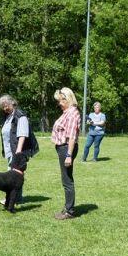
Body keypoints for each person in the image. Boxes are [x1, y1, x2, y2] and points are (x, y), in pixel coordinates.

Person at [50, 87, 81, 220]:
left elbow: (72, 137)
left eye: (62, 100)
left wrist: (68, 155)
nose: (59, 103)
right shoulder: (67, 112)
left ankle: (69, 211)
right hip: (63, 148)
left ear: (68, 99)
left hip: (66, 148)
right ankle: (67, 208)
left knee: (67, 180)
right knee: (66, 179)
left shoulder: (72, 113)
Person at [0, 94, 29, 206]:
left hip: (16, 151)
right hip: (10, 151)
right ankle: (16, 198)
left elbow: (22, 134)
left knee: (12, 177)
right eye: (3, 107)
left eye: (6, 105)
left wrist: (18, 152)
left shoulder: (20, 116)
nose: (5, 108)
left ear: (12, 102)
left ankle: (11, 199)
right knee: (15, 176)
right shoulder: (8, 116)